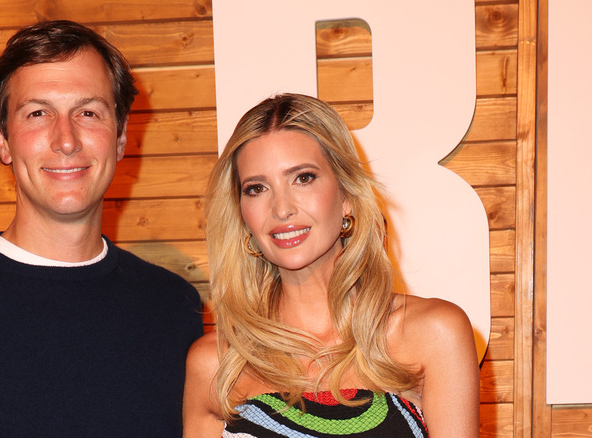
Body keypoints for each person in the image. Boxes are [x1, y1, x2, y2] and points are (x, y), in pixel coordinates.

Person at [0, 20, 203, 437]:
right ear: (2, 139)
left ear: (121, 136)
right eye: (38, 113)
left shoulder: (173, 308)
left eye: (88, 112)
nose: (66, 140)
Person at [183, 93, 480, 437]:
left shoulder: (434, 334)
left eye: (303, 178)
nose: (281, 209)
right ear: (241, 214)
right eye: (257, 188)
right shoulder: (216, 365)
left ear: (347, 196)